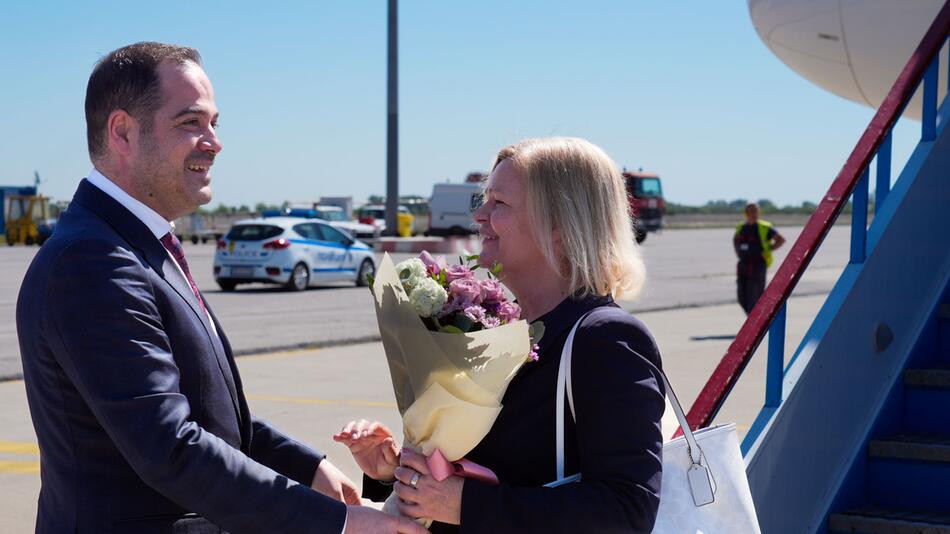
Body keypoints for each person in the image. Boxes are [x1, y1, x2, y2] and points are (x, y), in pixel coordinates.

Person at [16, 42, 426, 534]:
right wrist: (339, 524)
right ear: (122, 132)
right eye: (190, 123)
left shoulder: (140, 244)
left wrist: (309, 470)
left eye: (214, 123)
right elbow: (170, 446)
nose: (214, 141)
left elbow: (213, 418)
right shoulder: (93, 261)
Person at [335, 137, 666, 532]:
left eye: (499, 204)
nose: (479, 216)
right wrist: (397, 472)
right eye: (484, 201)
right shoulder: (504, 329)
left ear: (559, 224)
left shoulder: (605, 339)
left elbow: (627, 512)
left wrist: (465, 505)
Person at [734, 202, 786, 314]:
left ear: (759, 212)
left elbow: (781, 240)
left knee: (755, 297)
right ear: (746, 213)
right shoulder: (741, 227)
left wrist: (768, 249)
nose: (753, 213)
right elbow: (736, 240)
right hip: (743, 265)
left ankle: (753, 323)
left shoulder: (764, 227)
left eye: (755, 211)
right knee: (741, 297)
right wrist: (738, 252)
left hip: (758, 265)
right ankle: (752, 320)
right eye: (750, 211)